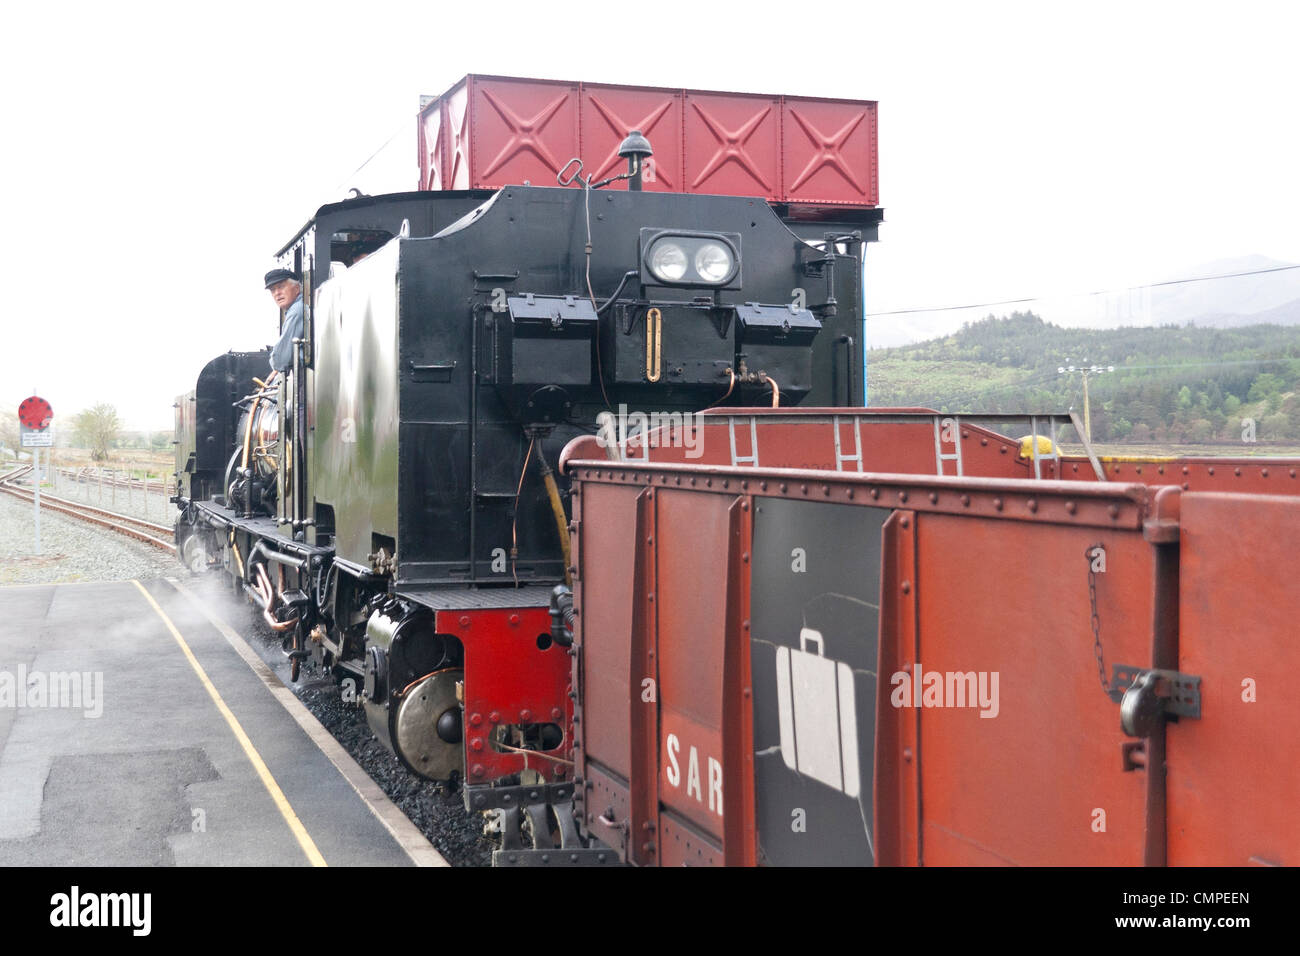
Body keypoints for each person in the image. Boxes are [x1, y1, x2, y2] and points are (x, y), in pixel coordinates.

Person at [265, 268, 303, 373]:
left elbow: (280, 360)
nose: (277, 293)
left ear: (296, 288)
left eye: (281, 287)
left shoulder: (297, 310)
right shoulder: (298, 307)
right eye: (273, 290)